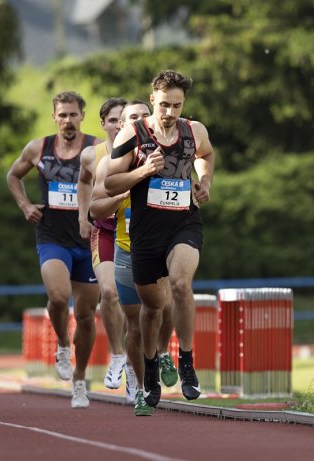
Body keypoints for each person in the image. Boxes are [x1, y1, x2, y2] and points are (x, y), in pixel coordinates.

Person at [105, 70, 215, 409]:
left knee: (181, 284)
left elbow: (205, 155)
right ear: (152, 99)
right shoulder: (132, 133)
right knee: (152, 310)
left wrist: (205, 180)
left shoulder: (193, 130)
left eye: (177, 106)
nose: (170, 113)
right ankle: (151, 370)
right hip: (145, 231)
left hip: (184, 222)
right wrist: (142, 171)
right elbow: (110, 183)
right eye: (164, 105)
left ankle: (187, 362)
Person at [6, 91, 102, 409]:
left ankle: (79, 380)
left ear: (82, 117)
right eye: (62, 115)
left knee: (87, 316)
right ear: (54, 117)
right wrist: (24, 205)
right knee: (58, 297)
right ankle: (62, 343)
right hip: (52, 238)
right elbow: (13, 175)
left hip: (88, 240)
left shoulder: (96, 148)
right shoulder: (39, 148)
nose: (68, 120)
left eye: (73, 114)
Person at [90, 100, 177, 416]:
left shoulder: (166, 156)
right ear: (124, 126)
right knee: (136, 325)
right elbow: (95, 210)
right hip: (128, 248)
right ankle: (141, 388)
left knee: (165, 307)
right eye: (132, 118)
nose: (140, 122)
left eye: (145, 116)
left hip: (159, 245)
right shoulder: (108, 166)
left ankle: (164, 351)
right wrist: (124, 193)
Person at [77, 98, 129, 394]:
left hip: (136, 232)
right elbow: (83, 181)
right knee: (109, 293)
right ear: (103, 124)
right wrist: (84, 215)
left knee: (137, 302)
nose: (119, 124)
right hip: (105, 230)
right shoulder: (91, 155)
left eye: (124, 119)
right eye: (113, 119)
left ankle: (138, 363)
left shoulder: (141, 151)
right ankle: (117, 355)